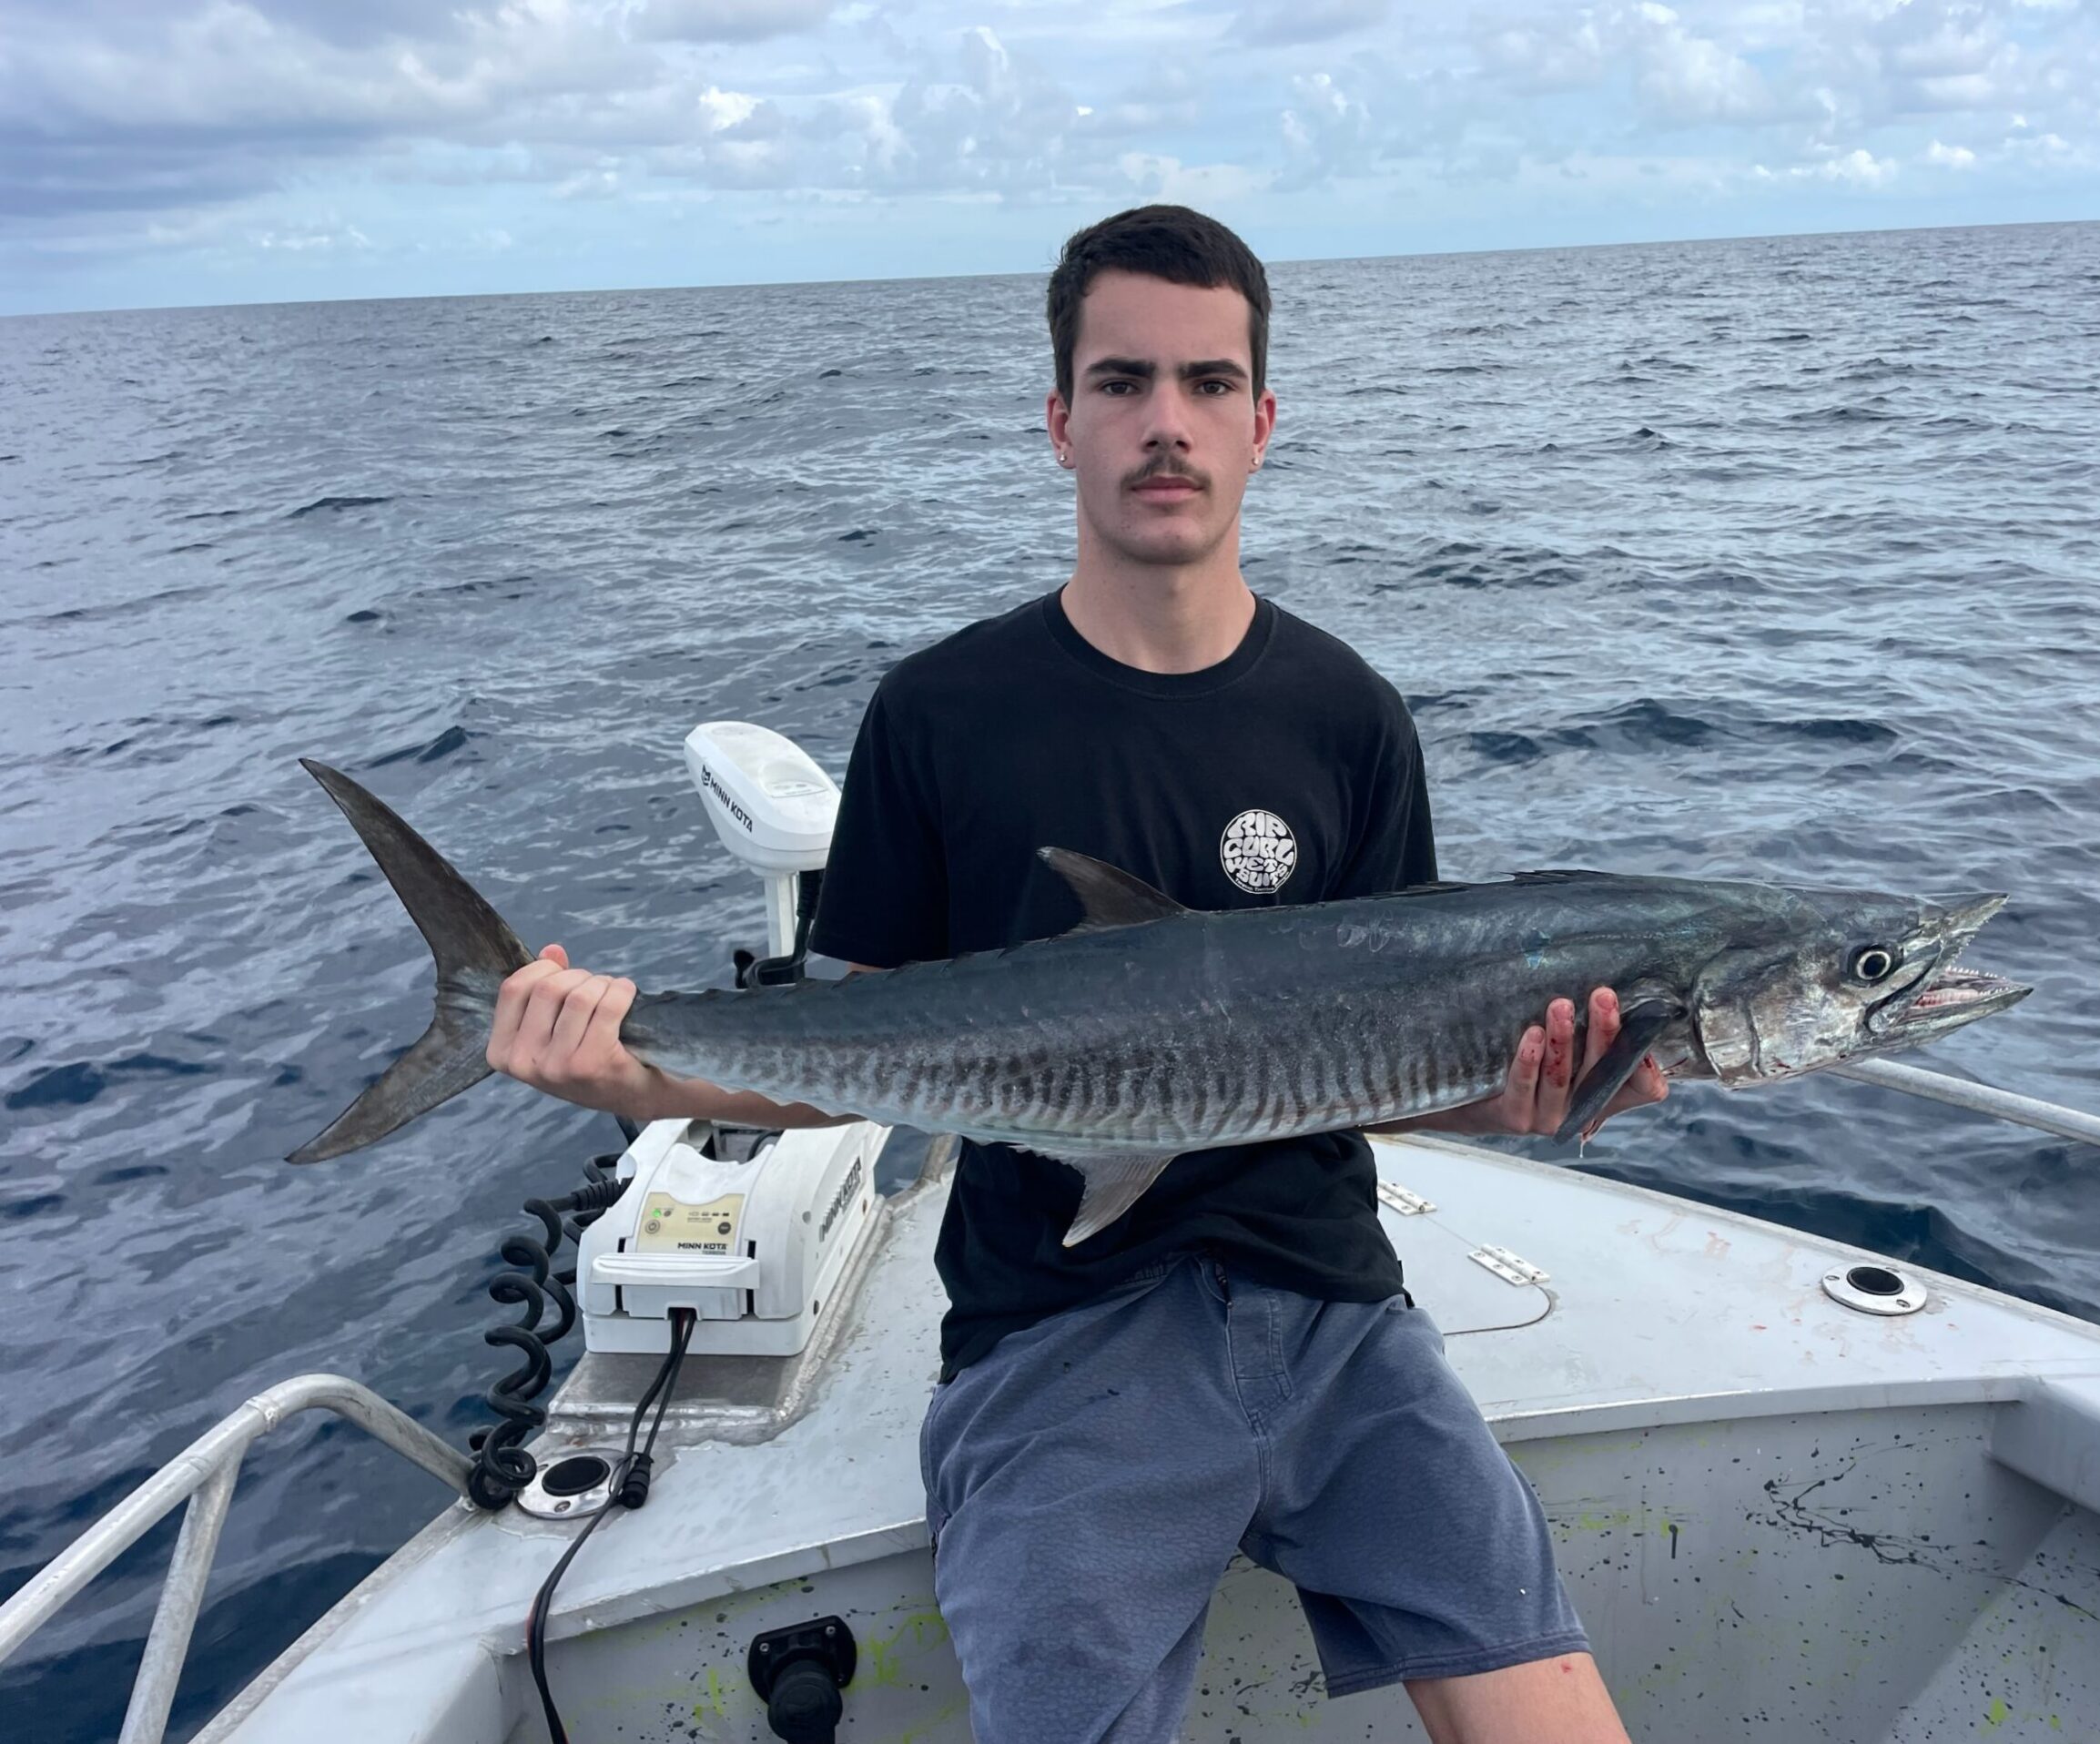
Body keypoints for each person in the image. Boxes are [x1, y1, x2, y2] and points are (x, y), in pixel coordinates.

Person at [486, 205, 1665, 1743]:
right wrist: (630, 1069)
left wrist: (1509, 1111)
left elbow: (1381, 1056)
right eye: (1122, 383)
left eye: (1206, 383)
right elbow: (848, 1055)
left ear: (1263, 421)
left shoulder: (1350, 716)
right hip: (1059, 1333)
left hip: (1336, 1315)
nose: (1165, 424)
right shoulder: (942, 713)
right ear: (1059, 421)